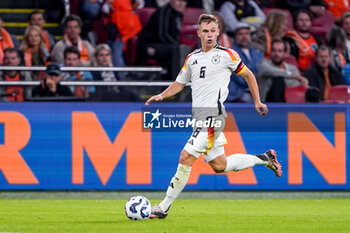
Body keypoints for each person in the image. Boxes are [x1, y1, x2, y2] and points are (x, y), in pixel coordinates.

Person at [145, 14, 282, 219]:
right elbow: (180, 83)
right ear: (199, 33)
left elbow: (249, 75)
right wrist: (162, 95)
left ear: (218, 32)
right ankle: (265, 159)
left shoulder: (228, 55)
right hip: (199, 119)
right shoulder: (192, 58)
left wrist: (257, 101)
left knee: (185, 157)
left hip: (213, 117)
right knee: (220, 165)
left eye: (213, 31)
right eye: (205, 31)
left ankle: (163, 207)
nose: (209, 35)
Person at [137, 0, 191, 80]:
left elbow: (175, 36)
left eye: (183, 1)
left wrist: (179, 47)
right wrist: (178, 47)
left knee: (181, 53)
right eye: (178, 0)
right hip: (150, 45)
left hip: (166, 46)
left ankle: (175, 85)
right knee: (178, 51)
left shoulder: (179, 14)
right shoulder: (164, 11)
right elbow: (162, 35)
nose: (181, 4)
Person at [227, 22, 263, 102]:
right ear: (235, 37)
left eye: (246, 33)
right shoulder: (231, 54)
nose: (244, 37)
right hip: (237, 93)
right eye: (240, 34)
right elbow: (240, 78)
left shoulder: (257, 53)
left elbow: (262, 71)